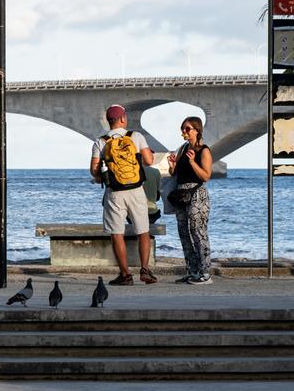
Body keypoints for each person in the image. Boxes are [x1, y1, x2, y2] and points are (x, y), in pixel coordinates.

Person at [90, 104, 157, 286]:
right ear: (123, 119)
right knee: (143, 231)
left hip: (114, 193)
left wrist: (101, 176)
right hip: (136, 190)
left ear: (108, 121)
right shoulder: (136, 137)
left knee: (117, 233)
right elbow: (149, 161)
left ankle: (125, 275)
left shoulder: (101, 142)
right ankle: (145, 270)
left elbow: (94, 170)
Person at [167, 116, 213, 285]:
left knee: (198, 231)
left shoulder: (204, 150)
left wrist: (193, 162)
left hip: (196, 194)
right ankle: (193, 271)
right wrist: (173, 166)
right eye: (183, 129)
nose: (184, 132)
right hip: (181, 194)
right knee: (184, 232)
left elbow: (206, 176)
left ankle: (205, 272)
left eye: (187, 129)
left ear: (197, 130)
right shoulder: (183, 148)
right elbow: (175, 174)